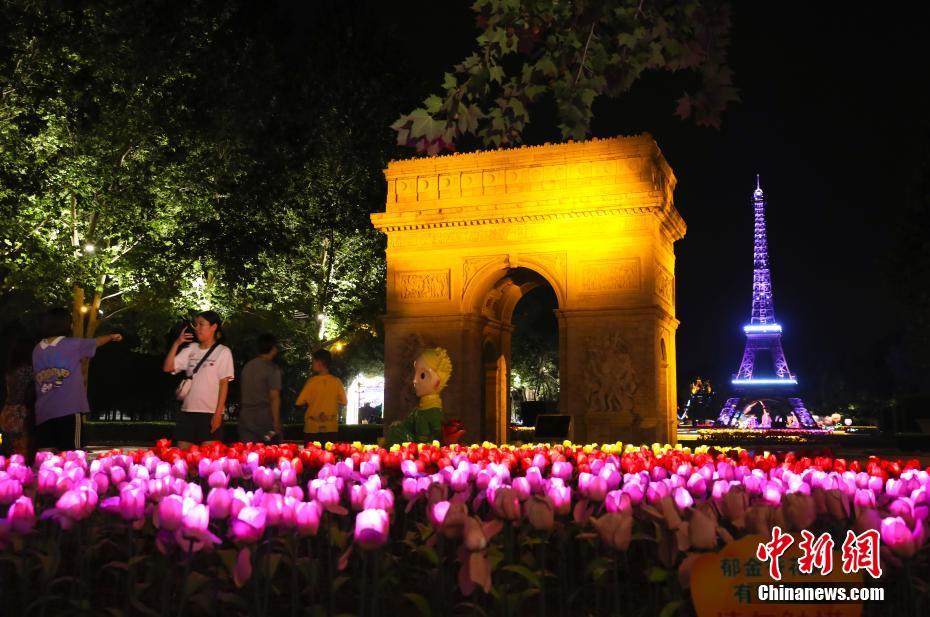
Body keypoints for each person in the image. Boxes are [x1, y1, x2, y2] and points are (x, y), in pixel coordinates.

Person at [32, 308, 122, 451]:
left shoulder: (37, 349)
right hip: (69, 410)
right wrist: (111, 337)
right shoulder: (73, 344)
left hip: (43, 412)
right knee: (71, 457)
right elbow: (96, 341)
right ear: (67, 325)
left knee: (46, 457)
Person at [163, 311, 234, 448]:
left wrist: (218, 415)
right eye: (196, 324)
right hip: (187, 412)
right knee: (183, 461)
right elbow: (168, 368)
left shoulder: (223, 352)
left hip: (210, 414)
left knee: (208, 463)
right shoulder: (191, 349)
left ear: (214, 327)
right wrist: (177, 344)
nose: (197, 328)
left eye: (202, 324)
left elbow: (223, 384)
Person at [238, 333, 282, 443]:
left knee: (248, 454)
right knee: (269, 454)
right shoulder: (272, 369)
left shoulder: (247, 367)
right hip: (264, 418)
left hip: (245, 417)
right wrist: (276, 422)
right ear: (272, 348)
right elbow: (274, 397)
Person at [295, 349, 346, 444]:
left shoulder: (311, 382)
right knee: (329, 457)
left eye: (313, 362)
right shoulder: (336, 381)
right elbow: (344, 402)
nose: (312, 364)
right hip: (331, 428)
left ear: (319, 363)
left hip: (312, 428)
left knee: (311, 457)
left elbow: (299, 402)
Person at [1, 338, 36, 457]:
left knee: (11, 450)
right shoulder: (29, 370)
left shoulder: (10, 372)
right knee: (24, 450)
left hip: (7, 412)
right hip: (21, 413)